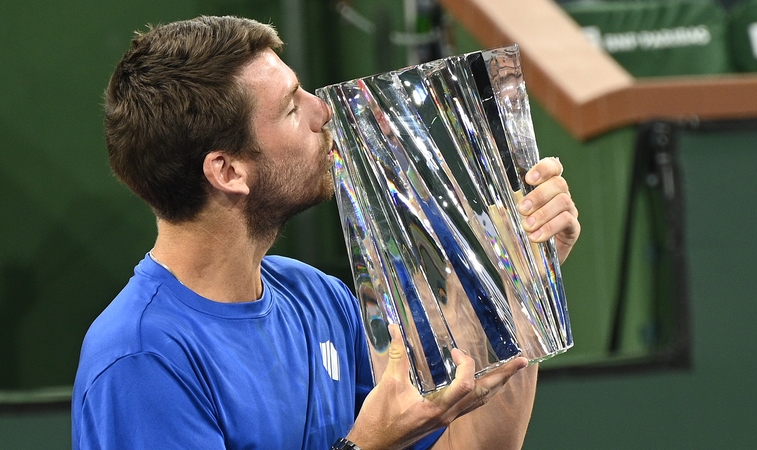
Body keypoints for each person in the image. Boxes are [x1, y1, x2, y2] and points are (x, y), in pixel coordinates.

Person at [71, 15, 581, 450]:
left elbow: (470, 444)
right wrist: (364, 446)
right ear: (227, 171)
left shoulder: (317, 296)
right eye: (292, 107)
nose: (323, 110)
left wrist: (522, 276)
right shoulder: (140, 359)